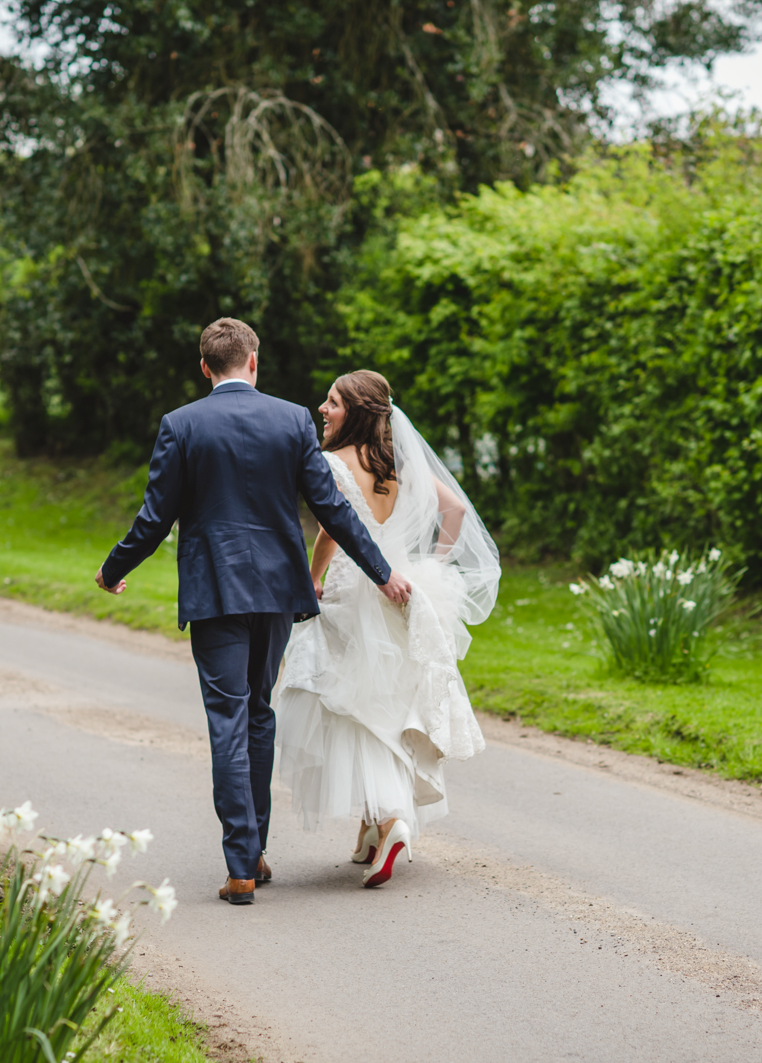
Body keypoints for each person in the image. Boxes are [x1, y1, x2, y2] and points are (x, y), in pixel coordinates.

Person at [95, 319, 411, 906]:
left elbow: (155, 517)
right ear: (254, 361)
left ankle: (242, 864)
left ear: (205, 366)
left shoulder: (181, 425)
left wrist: (115, 568)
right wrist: (383, 571)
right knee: (257, 714)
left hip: (216, 589)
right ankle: (256, 851)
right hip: (275, 590)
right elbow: (334, 510)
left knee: (228, 718)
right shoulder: (291, 419)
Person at [276, 370, 501, 887]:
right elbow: (456, 508)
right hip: (400, 589)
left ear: (353, 411)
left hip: (355, 590)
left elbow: (332, 532)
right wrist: (433, 566)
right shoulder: (397, 462)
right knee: (387, 703)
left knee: (352, 708)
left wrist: (311, 581)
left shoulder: (333, 463)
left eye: (331, 402)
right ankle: (370, 830)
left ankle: (391, 819)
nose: (321, 408)